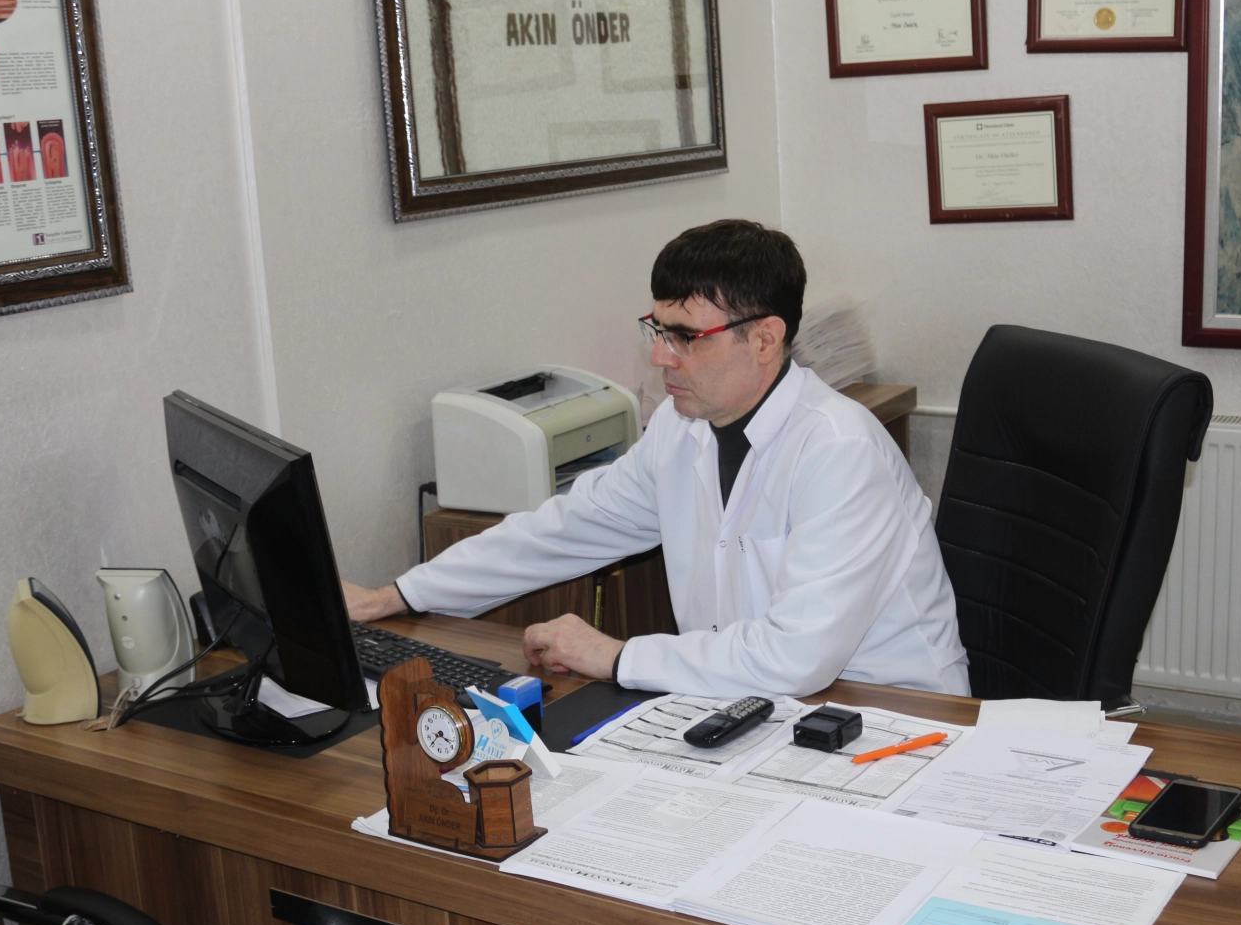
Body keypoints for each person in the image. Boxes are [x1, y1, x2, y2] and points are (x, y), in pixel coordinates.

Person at [344, 219, 969, 699]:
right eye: (659, 329)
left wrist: (615, 657)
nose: (660, 357)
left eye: (685, 338)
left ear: (765, 338)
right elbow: (565, 530)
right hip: (752, 709)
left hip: (892, 719)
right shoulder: (681, 428)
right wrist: (396, 595)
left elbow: (795, 658)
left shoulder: (840, 451)